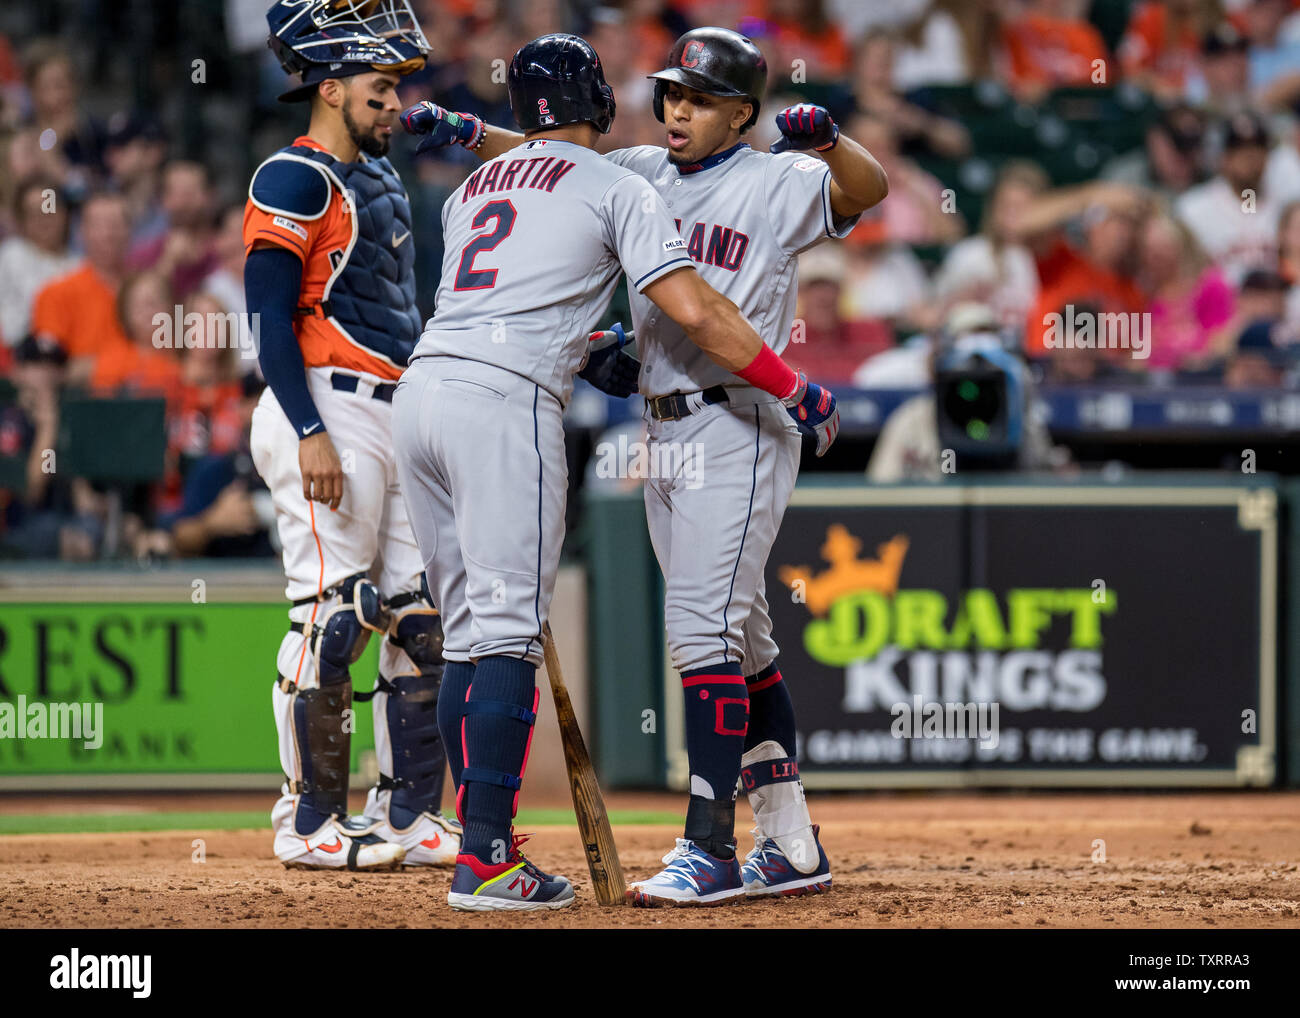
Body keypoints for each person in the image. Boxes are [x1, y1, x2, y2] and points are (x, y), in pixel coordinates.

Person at [403, 26, 883, 908]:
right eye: (669, 93)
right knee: (744, 638)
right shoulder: (644, 171)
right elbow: (556, 158)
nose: (676, 110)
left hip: (737, 420)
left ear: (742, 112)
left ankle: (709, 846)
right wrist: (475, 134)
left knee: (702, 632)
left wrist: (831, 140)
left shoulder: (776, 177)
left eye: (698, 98)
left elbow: (867, 188)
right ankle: (789, 840)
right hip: (660, 421)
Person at [244, 0, 457, 872]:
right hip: (325, 405)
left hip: (394, 408)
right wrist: (306, 428)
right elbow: (266, 317)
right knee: (333, 618)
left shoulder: (381, 179)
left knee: (418, 620)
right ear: (329, 91)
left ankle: (406, 817)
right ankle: (306, 822)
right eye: (380, 89)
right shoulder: (293, 176)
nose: (395, 104)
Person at [0, 176, 75, 347]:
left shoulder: (79, 265)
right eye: (33, 212)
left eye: (49, 209)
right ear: (21, 219)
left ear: (64, 214)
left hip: (65, 353)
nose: (43, 219)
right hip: (14, 351)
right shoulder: (10, 255)